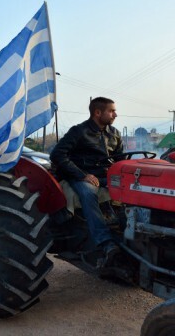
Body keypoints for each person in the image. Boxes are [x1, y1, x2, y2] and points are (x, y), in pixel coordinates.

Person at [50, 97, 123, 266]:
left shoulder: (114, 134)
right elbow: (57, 154)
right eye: (111, 111)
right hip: (81, 176)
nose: (115, 114)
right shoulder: (79, 131)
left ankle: (128, 233)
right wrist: (82, 174)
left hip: (105, 176)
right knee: (89, 193)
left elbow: (120, 159)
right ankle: (106, 242)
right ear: (98, 113)